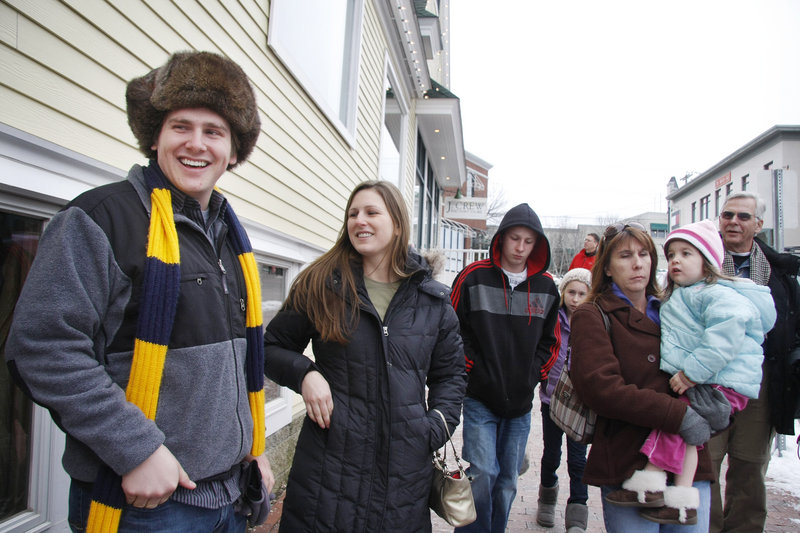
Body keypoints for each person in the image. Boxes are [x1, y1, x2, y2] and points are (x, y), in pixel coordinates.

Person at [5, 51, 275, 532]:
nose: (197, 144)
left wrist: (254, 451)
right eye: (181, 127)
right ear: (155, 138)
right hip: (147, 507)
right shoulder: (100, 219)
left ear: (234, 152)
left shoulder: (232, 241)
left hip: (230, 498)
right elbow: (41, 348)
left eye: (214, 132)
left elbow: (237, 370)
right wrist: (137, 448)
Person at [263, 180, 466, 532]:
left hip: (403, 475)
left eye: (372, 212)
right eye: (353, 214)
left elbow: (450, 376)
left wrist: (432, 429)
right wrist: (305, 374)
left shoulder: (432, 300)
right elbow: (270, 347)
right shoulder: (321, 283)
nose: (360, 221)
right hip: (329, 470)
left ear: (398, 224)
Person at [605, 220, 776, 526]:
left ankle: (653, 483)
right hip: (713, 380)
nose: (676, 261)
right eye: (671, 255)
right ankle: (681, 501)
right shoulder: (686, 293)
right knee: (686, 434)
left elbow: (723, 338)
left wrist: (689, 374)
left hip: (724, 382)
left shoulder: (714, 294)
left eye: (686, 253)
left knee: (677, 423)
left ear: (708, 262)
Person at [569, 222, 716, 532]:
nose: (637, 263)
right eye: (624, 256)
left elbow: (714, 364)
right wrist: (678, 415)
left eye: (644, 254)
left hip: (688, 466)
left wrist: (719, 408)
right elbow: (601, 388)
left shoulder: (677, 308)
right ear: (607, 267)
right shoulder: (593, 313)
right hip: (629, 462)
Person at [450, 203, 560, 533]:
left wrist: (534, 374)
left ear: (537, 245)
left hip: (520, 405)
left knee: (508, 481)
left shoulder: (546, 287)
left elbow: (552, 342)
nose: (520, 248)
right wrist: (471, 366)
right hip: (480, 398)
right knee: (483, 472)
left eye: (528, 241)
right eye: (515, 239)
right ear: (501, 238)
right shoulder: (474, 277)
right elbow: (451, 328)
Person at [709, 191, 800, 533]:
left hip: (761, 383)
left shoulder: (782, 275)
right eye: (727, 214)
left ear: (759, 224)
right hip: (709, 381)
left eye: (743, 217)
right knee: (705, 468)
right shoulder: (699, 262)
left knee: (750, 470)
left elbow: (794, 330)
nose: (733, 221)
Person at [536, 267, 592, 532]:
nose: (576, 298)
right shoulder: (553, 319)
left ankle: (578, 508)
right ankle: (546, 498)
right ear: (563, 292)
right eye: (571, 292)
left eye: (582, 293)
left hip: (580, 404)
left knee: (578, 460)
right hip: (551, 400)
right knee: (551, 455)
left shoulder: (592, 324)